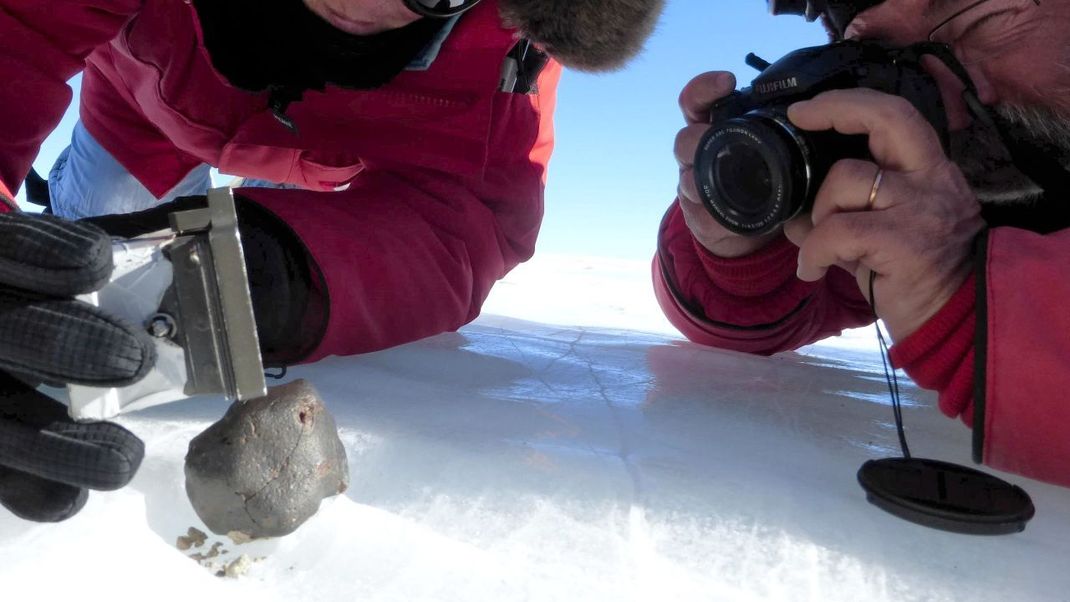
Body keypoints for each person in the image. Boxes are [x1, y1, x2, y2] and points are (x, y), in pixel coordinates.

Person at [0, 0, 665, 522]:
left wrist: (268, 276)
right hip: (139, 118)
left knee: (116, 288)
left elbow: (465, 221)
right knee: (83, 232)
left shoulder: (505, 46)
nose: (364, 3)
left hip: (308, 166)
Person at [656, 0, 1070, 487]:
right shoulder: (932, 182)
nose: (951, 101)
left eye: (987, 22)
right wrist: (742, 246)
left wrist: (969, 308)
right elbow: (747, 321)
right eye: (892, 61)